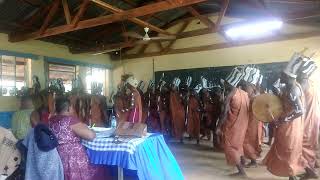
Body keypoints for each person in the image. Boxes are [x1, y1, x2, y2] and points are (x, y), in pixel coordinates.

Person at [263, 52, 306, 180]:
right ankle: (292, 176)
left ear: (288, 76)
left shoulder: (293, 89)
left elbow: (300, 110)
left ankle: (293, 177)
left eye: (282, 75)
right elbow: (284, 100)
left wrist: (284, 119)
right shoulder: (288, 87)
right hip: (288, 125)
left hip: (290, 126)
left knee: (288, 151)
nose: (280, 76)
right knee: (288, 151)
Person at [49, 96, 106, 180]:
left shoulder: (52, 120)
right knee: (102, 168)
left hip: (58, 158)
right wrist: (92, 131)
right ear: (69, 108)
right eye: (72, 106)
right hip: (73, 159)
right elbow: (90, 135)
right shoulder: (69, 120)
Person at [216, 67, 250, 177]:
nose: (224, 84)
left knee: (230, 146)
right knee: (238, 144)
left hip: (232, 126)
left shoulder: (229, 96)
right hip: (242, 124)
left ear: (229, 83)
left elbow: (224, 113)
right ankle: (243, 162)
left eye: (225, 83)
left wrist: (218, 127)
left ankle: (241, 171)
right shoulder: (244, 93)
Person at [297, 57, 319, 179]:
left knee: (303, 146)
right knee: (310, 145)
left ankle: (311, 173)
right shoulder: (312, 82)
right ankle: (309, 170)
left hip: (307, 120)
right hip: (314, 118)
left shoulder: (303, 84)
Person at [241, 67, 263, 167]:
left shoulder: (256, 97)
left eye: (246, 86)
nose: (244, 88)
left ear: (252, 87)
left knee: (250, 140)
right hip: (249, 121)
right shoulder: (252, 95)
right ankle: (247, 159)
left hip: (253, 122)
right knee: (246, 140)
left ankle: (253, 161)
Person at [169, 77, 185, 143]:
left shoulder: (179, 94)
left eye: (174, 86)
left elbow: (183, 103)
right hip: (173, 111)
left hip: (179, 112)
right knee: (174, 124)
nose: (172, 87)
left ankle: (181, 138)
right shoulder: (170, 93)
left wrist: (183, 98)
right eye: (172, 85)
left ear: (176, 87)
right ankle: (175, 136)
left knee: (180, 125)